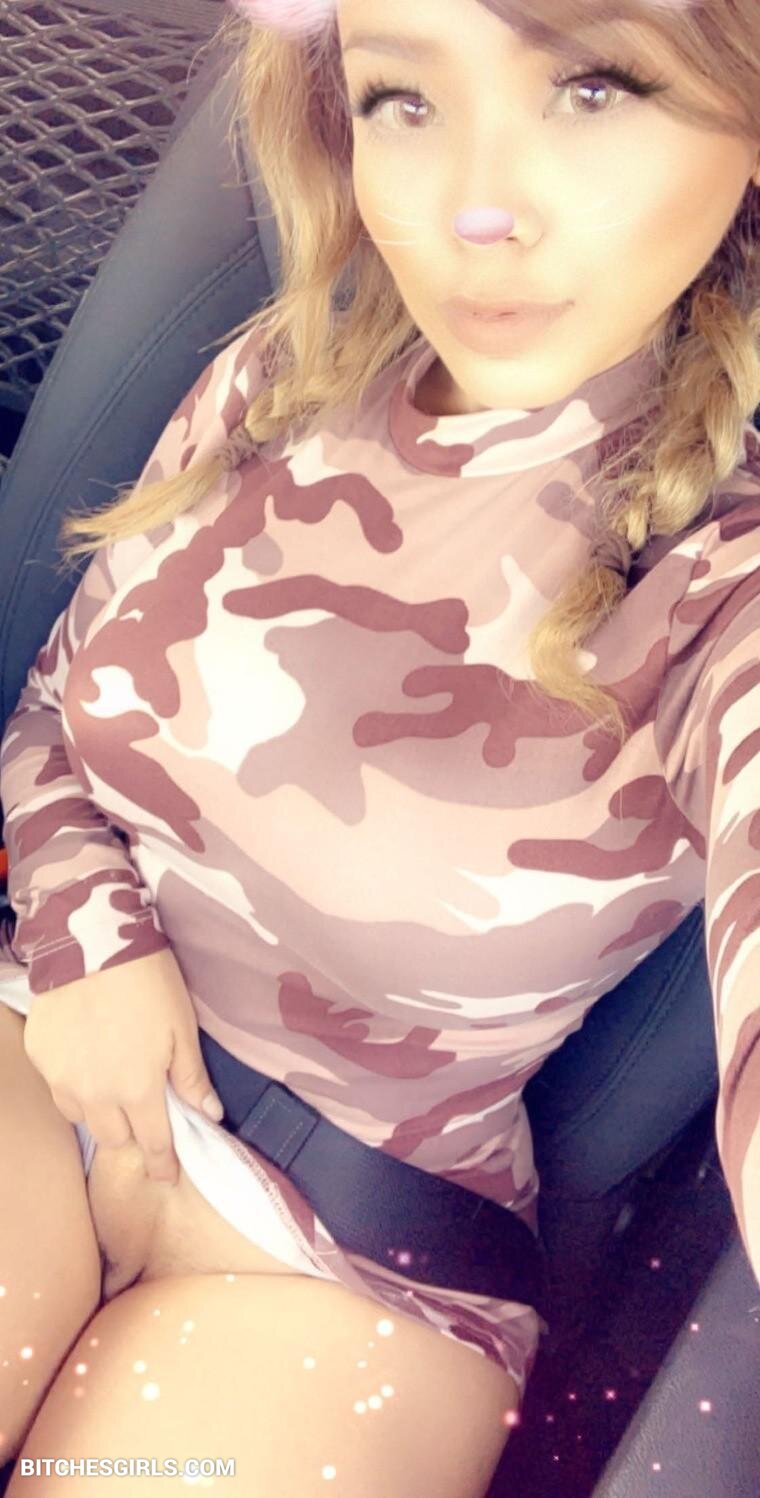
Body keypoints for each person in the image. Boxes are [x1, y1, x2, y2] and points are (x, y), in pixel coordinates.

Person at [0, 1, 758, 1493]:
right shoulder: (284, 371)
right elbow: (49, 714)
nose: (475, 207)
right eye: (402, 99)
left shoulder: (723, 587)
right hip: (50, 1043)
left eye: (597, 87)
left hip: (350, 1266)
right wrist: (88, 946)